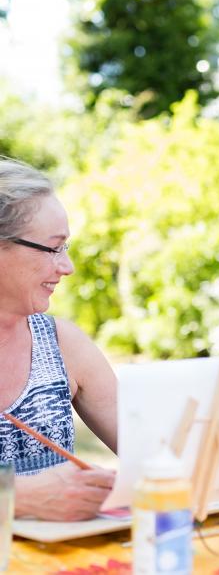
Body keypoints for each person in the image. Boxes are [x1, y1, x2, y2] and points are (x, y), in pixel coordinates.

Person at [0, 158, 117, 521]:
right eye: (54, 248)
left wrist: (215, 470)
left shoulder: (62, 343)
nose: (67, 267)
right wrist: (18, 497)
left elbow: (154, 451)